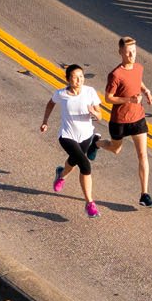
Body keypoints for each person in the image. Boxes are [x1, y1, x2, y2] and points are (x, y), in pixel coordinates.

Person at [39, 63, 102, 218]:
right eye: (75, 77)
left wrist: (95, 113)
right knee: (85, 165)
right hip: (67, 136)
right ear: (68, 79)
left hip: (86, 135)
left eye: (81, 76)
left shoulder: (90, 92)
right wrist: (45, 121)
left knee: (73, 162)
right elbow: (50, 104)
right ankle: (90, 204)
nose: (79, 80)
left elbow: (100, 116)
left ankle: (61, 174)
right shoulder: (61, 94)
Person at [105, 36, 152, 207]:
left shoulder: (138, 68)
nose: (131, 55)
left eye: (134, 52)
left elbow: (137, 82)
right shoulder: (115, 74)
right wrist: (128, 100)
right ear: (120, 52)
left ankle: (144, 194)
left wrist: (147, 91)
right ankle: (96, 143)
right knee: (115, 149)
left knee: (143, 155)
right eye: (128, 52)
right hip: (119, 120)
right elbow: (108, 98)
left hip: (138, 119)